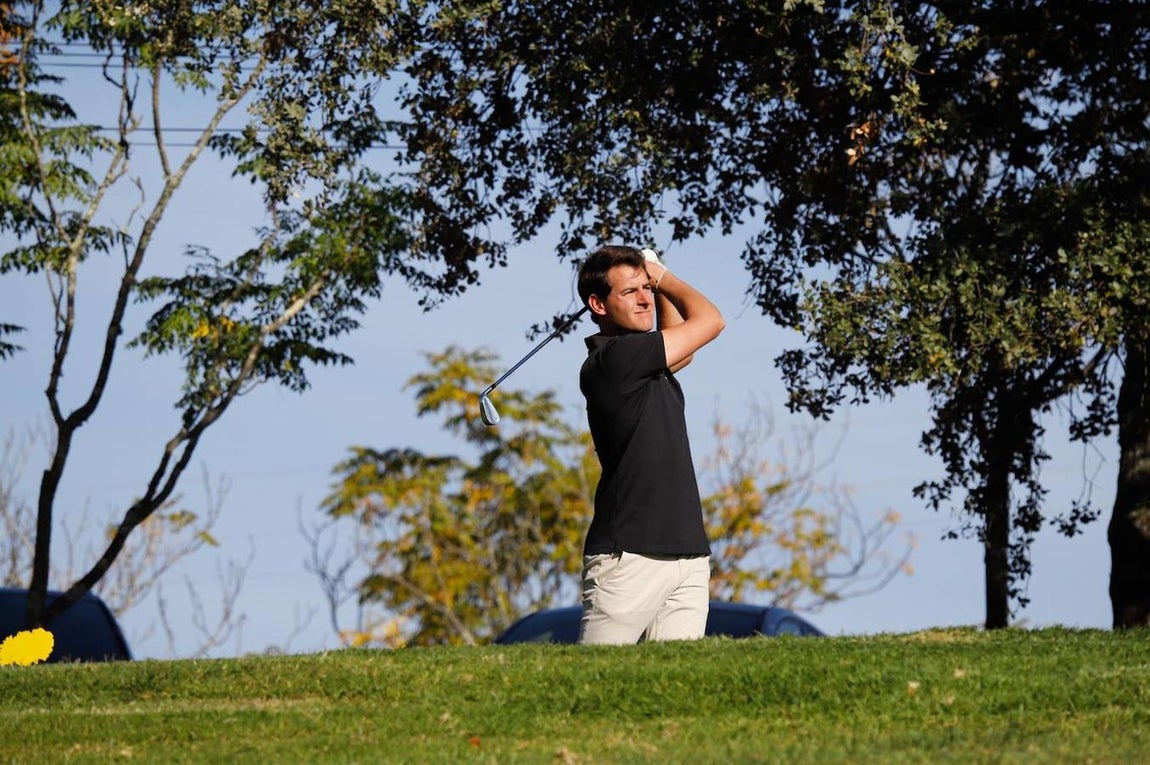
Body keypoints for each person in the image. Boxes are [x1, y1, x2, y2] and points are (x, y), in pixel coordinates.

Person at [575, 245, 725, 644]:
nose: (644, 299)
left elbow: (682, 351)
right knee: (593, 688)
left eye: (646, 289)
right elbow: (710, 321)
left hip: (687, 552)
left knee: (673, 693)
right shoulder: (615, 360)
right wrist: (662, 279)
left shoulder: (642, 359)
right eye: (630, 292)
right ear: (598, 304)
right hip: (628, 558)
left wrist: (655, 287)